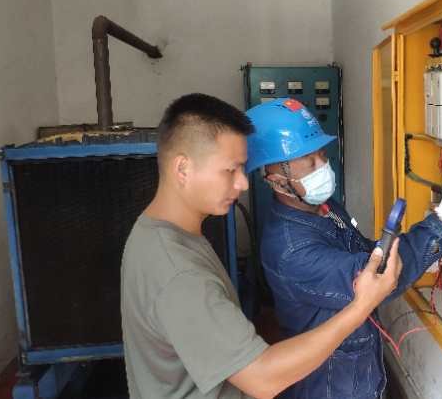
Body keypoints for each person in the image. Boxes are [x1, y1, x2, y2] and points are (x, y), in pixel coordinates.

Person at [120, 93, 403, 399]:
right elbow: (262, 379)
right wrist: (360, 307)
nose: (243, 183)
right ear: (183, 169)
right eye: (230, 170)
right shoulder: (179, 273)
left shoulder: (156, 234)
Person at [245, 97, 442, 399]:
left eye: (322, 154)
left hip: (357, 371)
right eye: (309, 161)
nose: (323, 167)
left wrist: (426, 242)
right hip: (331, 385)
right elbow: (376, 276)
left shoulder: (322, 207)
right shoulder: (291, 250)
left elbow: (369, 253)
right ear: (276, 181)